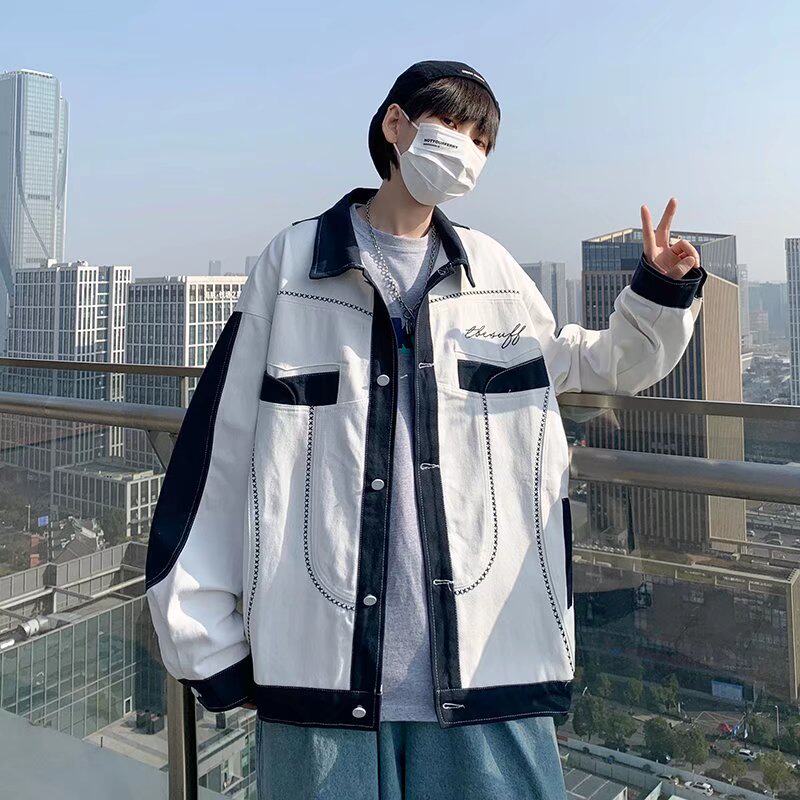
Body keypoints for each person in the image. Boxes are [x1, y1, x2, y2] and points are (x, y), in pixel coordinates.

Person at [145, 60, 707, 799]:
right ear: (395, 125)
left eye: (483, 141)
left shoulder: (493, 272)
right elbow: (218, 455)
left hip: (490, 670)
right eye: (455, 127)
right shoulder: (293, 267)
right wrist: (208, 647)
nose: (467, 151)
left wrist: (660, 292)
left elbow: (595, 366)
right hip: (320, 678)